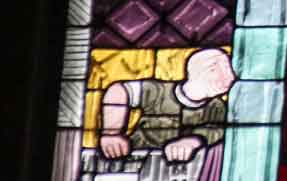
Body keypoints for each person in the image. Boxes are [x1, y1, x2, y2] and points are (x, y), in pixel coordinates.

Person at [97, 47, 235, 161]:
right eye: (214, 69)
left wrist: (193, 141)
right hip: (133, 160)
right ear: (197, 71)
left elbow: (215, 131)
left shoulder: (218, 107)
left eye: (228, 69)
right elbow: (119, 91)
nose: (228, 78)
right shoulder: (158, 91)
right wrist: (111, 133)